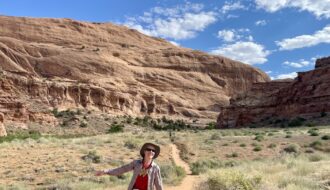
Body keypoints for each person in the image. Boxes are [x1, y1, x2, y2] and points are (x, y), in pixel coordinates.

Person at [95, 142, 163, 190]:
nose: (151, 151)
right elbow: (122, 169)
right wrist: (106, 171)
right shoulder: (136, 163)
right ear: (144, 151)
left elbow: (158, 184)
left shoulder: (155, 168)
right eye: (148, 149)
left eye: (153, 150)